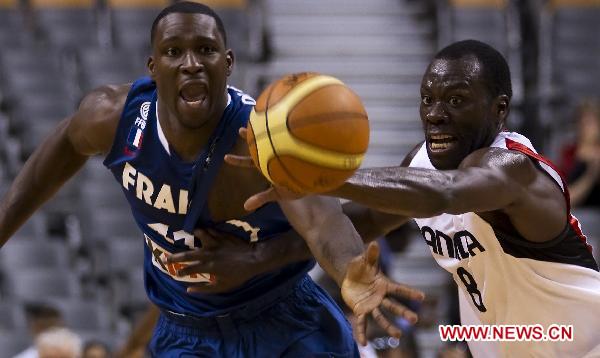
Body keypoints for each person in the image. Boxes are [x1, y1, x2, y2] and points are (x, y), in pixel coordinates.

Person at [0, 2, 423, 356]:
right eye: (173, 52)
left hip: (284, 323)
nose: (190, 64)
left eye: (206, 50)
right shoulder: (112, 118)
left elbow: (322, 220)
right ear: (153, 65)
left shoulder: (258, 139)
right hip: (185, 331)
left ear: (228, 62)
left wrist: (350, 267)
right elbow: (61, 149)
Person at [228, 40, 600, 356]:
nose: (435, 115)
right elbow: (355, 224)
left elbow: (447, 193)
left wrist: (315, 176)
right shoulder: (421, 162)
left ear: (499, 109)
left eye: (456, 100)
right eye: (428, 99)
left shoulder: (512, 167)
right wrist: (248, 260)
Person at [559, 99, 600, 207]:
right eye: (581, 122)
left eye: (589, 122)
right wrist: (590, 174)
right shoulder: (569, 152)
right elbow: (566, 197)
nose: (584, 127)